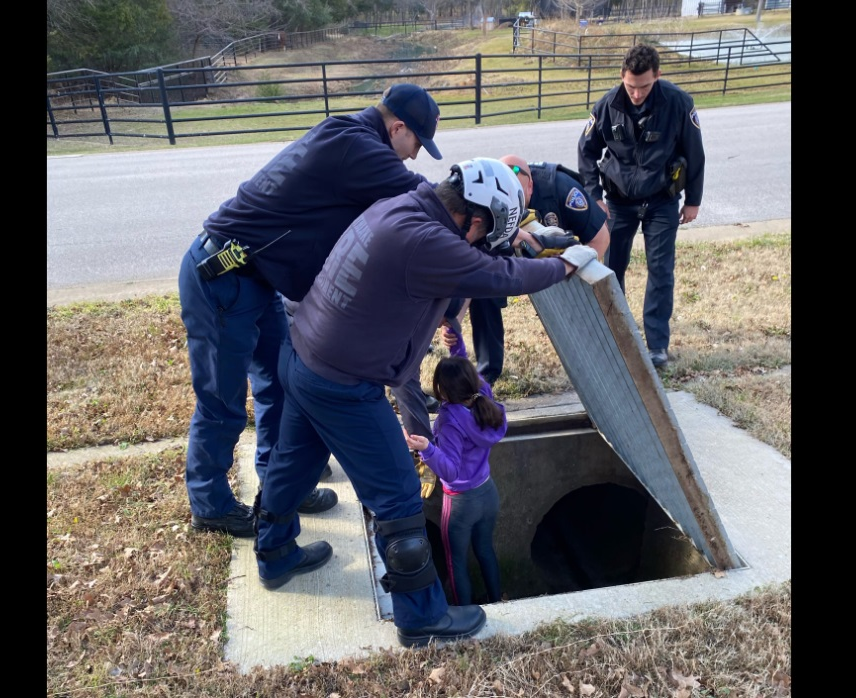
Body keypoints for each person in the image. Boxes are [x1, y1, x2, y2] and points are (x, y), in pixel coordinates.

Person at [252, 157, 599, 648]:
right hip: (343, 383)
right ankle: (421, 617)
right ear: (473, 218)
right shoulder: (430, 241)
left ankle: (273, 553)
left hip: (303, 355)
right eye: (483, 235)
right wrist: (564, 264)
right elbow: (499, 277)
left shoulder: (404, 207)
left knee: (293, 462)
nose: (480, 244)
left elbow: (454, 280)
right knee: (397, 496)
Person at [178, 83, 444, 538]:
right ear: (397, 127)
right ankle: (209, 504)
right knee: (222, 402)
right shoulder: (358, 147)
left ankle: (279, 484)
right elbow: (428, 199)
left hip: (256, 278)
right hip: (223, 276)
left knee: (279, 386)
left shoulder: (347, 135)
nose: (415, 154)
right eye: (417, 142)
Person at [577, 43, 706, 369]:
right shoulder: (607, 105)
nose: (636, 94)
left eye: (644, 87)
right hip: (618, 202)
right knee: (611, 269)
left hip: (662, 200)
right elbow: (586, 152)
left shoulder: (678, 103)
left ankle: (657, 346)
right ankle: (619, 336)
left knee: (660, 270)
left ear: (657, 76)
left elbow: (695, 153)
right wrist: (594, 196)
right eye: (631, 86)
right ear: (622, 76)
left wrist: (693, 200)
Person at [461, 154, 611, 386]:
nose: (516, 203)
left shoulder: (561, 188)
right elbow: (471, 258)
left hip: (559, 252)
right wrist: (455, 316)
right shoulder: (490, 194)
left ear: (530, 185)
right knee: (484, 284)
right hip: (511, 244)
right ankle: (487, 370)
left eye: (520, 196)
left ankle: (592, 358)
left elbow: (600, 239)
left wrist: (577, 277)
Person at [404, 321, 506, 606]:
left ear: (444, 392)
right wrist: (455, 343)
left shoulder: (449, 421)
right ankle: (498, 599)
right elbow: (464, 370)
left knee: (455, 561)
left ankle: (464, 611)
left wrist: (426, 449)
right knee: (485, 550)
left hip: (461, 502)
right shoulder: (482, 392)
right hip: (488, 492)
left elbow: (450, 470)